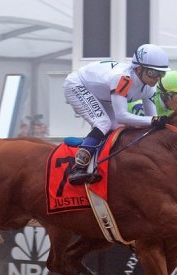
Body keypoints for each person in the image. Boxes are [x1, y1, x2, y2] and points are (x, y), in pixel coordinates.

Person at [62, 43, 170, 185]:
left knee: (117, 127)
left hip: (100, 92)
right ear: (139, 69)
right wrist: (154, 120)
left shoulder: (149, 87)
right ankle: (79, 167)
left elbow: (152, 121)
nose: (157, 78)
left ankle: (100, 161)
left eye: (161, 74)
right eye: (153, 73)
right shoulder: (123, 79)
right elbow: (123, 116)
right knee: (103, 123)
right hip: (77, 84)